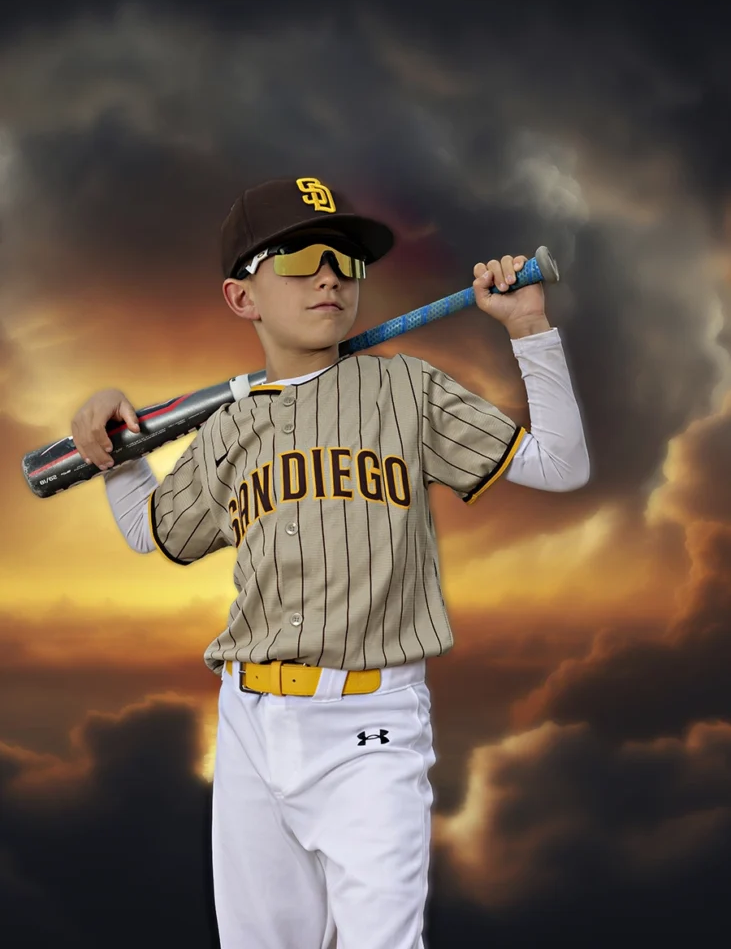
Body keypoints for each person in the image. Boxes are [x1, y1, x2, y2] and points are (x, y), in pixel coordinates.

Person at [71, 176, 590, 949]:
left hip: (371, 720)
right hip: (248, 717)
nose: (330, 274)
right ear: (241, 297)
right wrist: (115, 448)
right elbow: (155, 533)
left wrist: (528, 330)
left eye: (346, 261)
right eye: (303, 255)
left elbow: (560, 464)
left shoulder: (405, 389)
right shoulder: (230, 425)